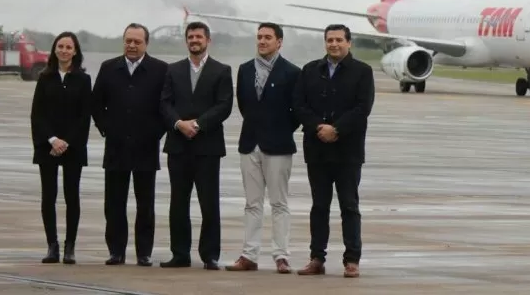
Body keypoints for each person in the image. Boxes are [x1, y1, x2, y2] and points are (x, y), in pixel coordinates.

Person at [293, 24, 375, 278]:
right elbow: (299, 105)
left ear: (349, 43)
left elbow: (363, 108)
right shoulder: (310, 70)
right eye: (330, 40)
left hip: (347, 151)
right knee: (319, 206)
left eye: (339, 40)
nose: (334, 44)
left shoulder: (362, 71)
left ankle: (352, 259)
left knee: (349, 206)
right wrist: (319, 127)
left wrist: (336, 129)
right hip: (317, 149)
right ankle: (316, 258)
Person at [224, 22, 301, 274]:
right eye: (259, 37)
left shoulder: (291, 72)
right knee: (252, 203)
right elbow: (245, 106)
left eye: (268, 37)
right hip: (249, 143)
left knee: (279, 203)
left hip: (278, 145)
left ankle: (281, 255)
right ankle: (249, 255)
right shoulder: (245, 70)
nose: (262, 41)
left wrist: (277, 129)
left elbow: (296, 111)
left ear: (279, 41)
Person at [91, 23, 169, 267]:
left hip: (146, 146)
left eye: (137, 41)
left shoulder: (160, 70)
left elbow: (166, 107)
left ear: (146, 43)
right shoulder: (108, 68)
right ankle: (116, 251)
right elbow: (96, 104)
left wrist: (155, 132)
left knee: (145, 204)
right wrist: (107, 128)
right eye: (128, 41)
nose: (132, 46)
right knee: (114, 203)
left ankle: (144, 252)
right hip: (116, 147)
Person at [159, 21, 233, 270]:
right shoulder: (173, 70)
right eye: (190, 36)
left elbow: (224, 106)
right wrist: (179, 124)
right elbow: (164, 104)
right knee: (178, 202)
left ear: (208, 40)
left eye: (199, 37)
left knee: (209, 202)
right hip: (178, 146)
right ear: (186, 40)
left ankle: (210, 254)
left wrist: (198, 125)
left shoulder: (222, 70)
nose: (194, 40)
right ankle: (180, 253)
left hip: (207, 147)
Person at [29, 31, 92, 265]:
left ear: (75, 51)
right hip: (48, 146)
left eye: (69, 47)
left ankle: (70, 247)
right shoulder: (45, 78)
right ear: (55, 49)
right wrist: (52, 139)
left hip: (72, 147)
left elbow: (84, 116)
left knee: (71, 196)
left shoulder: (83, 80)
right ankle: (52, 245)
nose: (64, 50)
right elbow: (37, 114)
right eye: (60, 46)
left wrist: (67, 141)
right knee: (49, 196)